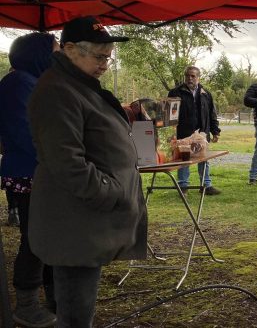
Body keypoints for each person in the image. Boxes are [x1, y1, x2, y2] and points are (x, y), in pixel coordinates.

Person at [27, 16, 148, 326]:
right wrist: (112, 191)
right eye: (99, 56)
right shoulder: (56, 90)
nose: (105, 64)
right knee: (75, 315)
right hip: (73, 224)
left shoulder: (78, 84)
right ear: (69, 49)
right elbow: (67, 163)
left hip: (85, 221)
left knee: (79, 309)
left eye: (108, 57)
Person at [0, 32, 58, 327]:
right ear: (38, 54)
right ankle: (26, 303)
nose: (59, 56)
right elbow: (27, 133)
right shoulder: (17, 84)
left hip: (42, 169)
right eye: (55, 50)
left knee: (48, 235)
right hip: (30, 171)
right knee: (35, 237)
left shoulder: (34, 82)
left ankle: (54, 296)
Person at [169, 66, 221, 195]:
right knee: (184, 160)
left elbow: (211, 113)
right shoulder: (175, 92)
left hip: (202, 132)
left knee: (203, 159)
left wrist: (215, 131)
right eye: (187, 75)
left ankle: (206, 185)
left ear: (198, 77)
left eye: (192, 76)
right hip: (183, 132)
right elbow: (169, 115)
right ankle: (183, 186)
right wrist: (171, 133)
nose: (189, 78)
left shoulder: (206, 93)